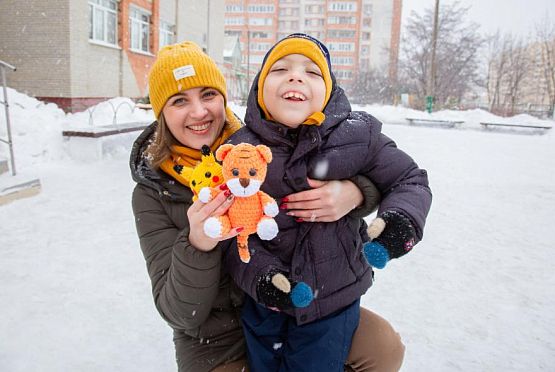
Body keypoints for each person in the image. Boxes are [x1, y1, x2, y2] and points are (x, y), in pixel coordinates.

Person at [130, 40, 406, 372]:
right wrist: (198, 244)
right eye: (179, 101)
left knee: (385, 347)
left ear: (223, 98)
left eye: (208, 95)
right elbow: (178, 312)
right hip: (217, 339)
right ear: (161, 113)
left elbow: (354, 163)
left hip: (294, 305)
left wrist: (357, 192)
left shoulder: (262, 141)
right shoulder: (154, 191)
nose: (199, 112)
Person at [221, 33, 432, 371]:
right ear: (259, 90)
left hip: (332, 298)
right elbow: (232, 232)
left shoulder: (356, 136)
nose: (296, 76)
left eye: (312, 72)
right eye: (280, 69)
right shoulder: (241, 150)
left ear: (329, 91)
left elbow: (409, 179)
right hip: (265, 301)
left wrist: (400, 221)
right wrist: (261, 276)